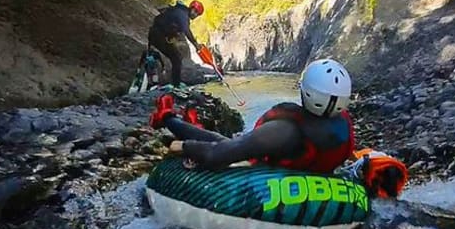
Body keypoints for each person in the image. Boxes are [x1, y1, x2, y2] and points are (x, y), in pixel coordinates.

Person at [150, 58, 355, 174]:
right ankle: (168, 119)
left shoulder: (283, 130)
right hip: (301, 169)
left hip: (269, 166)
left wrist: (185, 147)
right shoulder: (343, 124)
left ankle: (168, 118)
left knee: (225, 144)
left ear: (306, 92)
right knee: (229, 143)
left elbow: (217, 155)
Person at [148, 0, 205, 87]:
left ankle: (173, 83)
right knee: (176, 59)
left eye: (198, 14)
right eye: (195, 11)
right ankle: (176, 85)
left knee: (176, 57)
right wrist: (195, 44)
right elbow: (186, 30)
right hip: (157, 35)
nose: (195, 14)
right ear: (191, 8)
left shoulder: (180, 12)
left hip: (158, 35)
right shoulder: (182, 13)